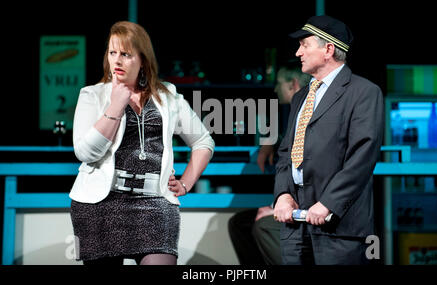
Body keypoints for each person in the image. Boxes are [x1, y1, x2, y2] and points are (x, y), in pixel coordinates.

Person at [69, 21, 214, 265]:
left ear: (142, 59)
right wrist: (116, 105)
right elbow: (85, 152)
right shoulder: (93, 95)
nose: (117, 61)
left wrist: (186, 183)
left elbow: (202, 141)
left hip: (155, 205)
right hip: (100, 205)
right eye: (112, 52)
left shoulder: (168, 95)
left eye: (125, 54)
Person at [273, 15, 384, 265]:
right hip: (296, 225)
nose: (298, 52)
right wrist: (282, 194)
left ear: (328, 49)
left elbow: (362, 157)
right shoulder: (302, 96)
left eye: (305, 45)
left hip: (339, 227)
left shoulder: (363, 93)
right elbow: (285, 152)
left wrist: (328, 203)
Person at [228, 66, 311, 265]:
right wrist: (269, 143)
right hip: (295, 202)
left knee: (261, 225)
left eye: (279, 83)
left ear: (293, 85)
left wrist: (276, 207)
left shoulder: (310, 116)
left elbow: (308, 174)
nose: (275, 89)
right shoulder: (294, 115)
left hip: (310, 206)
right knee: (240, 223)